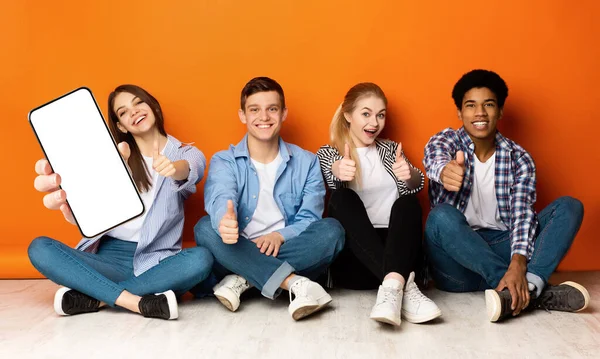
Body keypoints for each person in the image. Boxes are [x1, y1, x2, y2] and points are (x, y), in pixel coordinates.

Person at [29, 84, 212, 320]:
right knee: (39, 248)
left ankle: (96, 297)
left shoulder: (187, 153)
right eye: (123, 112)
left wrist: (172, 168)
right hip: (106, 259)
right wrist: (74, 209)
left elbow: (189, 169)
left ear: (153, 106)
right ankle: (138, 302)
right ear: (120, 125)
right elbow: (92, 208)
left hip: (155, 263)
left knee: (201, 259)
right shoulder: (112, 157)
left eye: (138, 103)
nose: (133, 112)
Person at [423, 69, 589, 322]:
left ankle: (521, 288)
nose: (480, 113)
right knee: (440, 216)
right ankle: (530, 292)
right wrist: (445, 170)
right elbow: (434, 156)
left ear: (500, 111)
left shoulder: (518, 158)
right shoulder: (446, 141)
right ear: (460, 112)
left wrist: (518, 264)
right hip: (457, 265)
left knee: (569, 206)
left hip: (502, 247)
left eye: (488, 104)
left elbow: (523, 216)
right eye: (471, 106)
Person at [193, 77, 345, 321]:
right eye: (254, 110)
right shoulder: (224, 160)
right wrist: (224, 221)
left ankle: (244, 279)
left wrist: (279, 236)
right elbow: (221, 195)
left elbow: (310, 217)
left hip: (285, 249)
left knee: (332, 231)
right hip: (236, 247)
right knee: (204, 227)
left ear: (284, 113)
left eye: (272, 109)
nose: (264, 117)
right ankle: (293, 283)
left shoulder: (307, 162)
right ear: (242, 115)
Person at [316, 82, 441, 327]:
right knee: (342, 198)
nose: (374, 123)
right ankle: (402, 288)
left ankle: (393, 285)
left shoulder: (391, 149)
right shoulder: (329, 152)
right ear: (347, 115)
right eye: (366, 114)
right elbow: (332, 177)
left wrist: (409, 175)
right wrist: (339, 170)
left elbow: (414, 185)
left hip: (400, 255)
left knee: (407, 202)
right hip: (356, 262)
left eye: (380, 115)